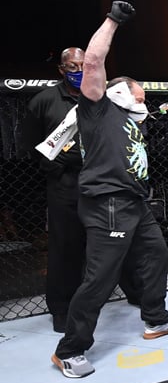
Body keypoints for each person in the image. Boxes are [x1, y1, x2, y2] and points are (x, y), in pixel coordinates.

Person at [51, 1, 168, 379]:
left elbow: (150, 114)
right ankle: (70, 349)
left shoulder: (132, 119)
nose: (141, 100)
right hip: (107, 203)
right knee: (100, 277)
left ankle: (156, 320)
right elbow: (95, 60)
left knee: (157, 254)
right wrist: (113, 20)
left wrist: (167, 107)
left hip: (134, 203)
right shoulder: (98, 107)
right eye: (138, 94)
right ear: (119, 93)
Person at [22, 48, 88, 332]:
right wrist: (54, 164)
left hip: (99, 181)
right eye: (72, 66)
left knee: (111, 242)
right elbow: (27, 143)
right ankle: (62, 309)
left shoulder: (98, 95)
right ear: (61, 69)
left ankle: (127, 295)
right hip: (64, 183)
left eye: (83, 65)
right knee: (65, 247)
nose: (78, 70)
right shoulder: (45, 101)